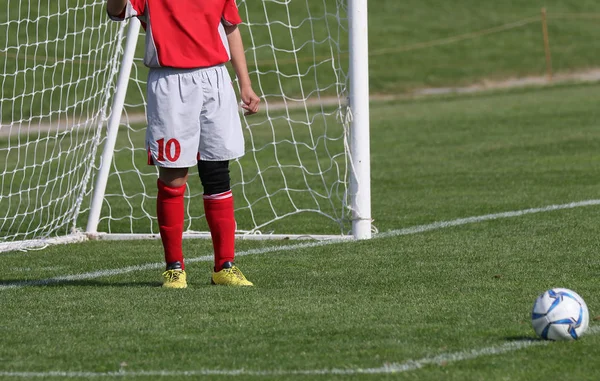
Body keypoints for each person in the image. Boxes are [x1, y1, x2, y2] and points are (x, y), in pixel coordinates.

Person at [106, 0, 260, 288]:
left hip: (215, 79)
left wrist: (245, 83)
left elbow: (231, 29)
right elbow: (116, 11)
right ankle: (174, 267)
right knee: (174, 175)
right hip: (170, 82)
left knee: (217, 172)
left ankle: (224, 266)